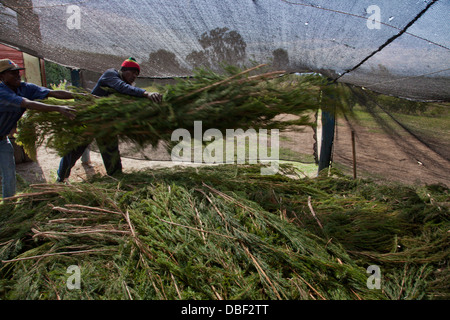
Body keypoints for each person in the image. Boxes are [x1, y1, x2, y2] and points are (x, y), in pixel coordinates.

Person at [57, 57, 162, 182]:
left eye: (136, 75)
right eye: (132, 72)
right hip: (88, 120)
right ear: (123, 69)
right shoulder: (111, 75)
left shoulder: (126, 88)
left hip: (105, 124)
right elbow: (121, 86)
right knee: (74, 150)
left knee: (111, 153)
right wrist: (146, 93)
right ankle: (61, 178)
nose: (134, 76)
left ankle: (116, 181)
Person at [0, 58, 76, 199]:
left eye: (18, 72)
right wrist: (58, 108)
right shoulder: (1, 92)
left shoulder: (24, 88)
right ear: (2, 77)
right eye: (12, 73)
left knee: (9, 174)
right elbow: (26, 103)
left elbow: (51, 93)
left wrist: (81, 96)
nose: (18, 75)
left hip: (2, 140)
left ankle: (8, 204)